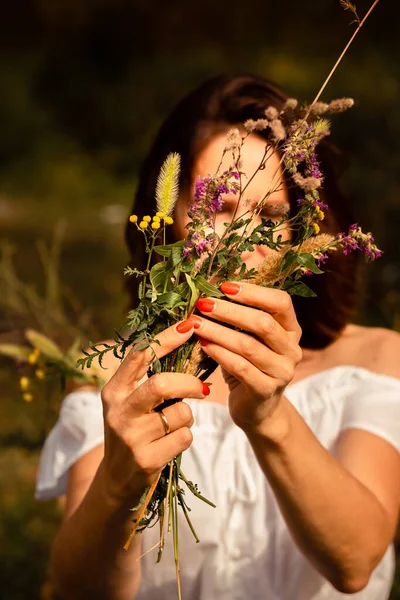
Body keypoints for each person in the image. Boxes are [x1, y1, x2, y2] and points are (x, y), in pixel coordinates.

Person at [35, 74, 400, 600]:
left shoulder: (374, 359)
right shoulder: (108, 374)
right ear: (170, 215)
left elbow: (355, 563)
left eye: (271, 215)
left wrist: (269, 416)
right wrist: (119, 482)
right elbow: (78, 587)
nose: (239, 242)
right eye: (220, 206)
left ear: (301, 233)